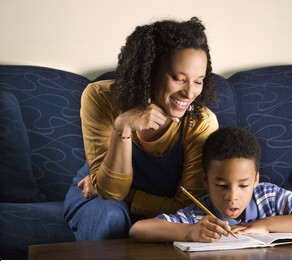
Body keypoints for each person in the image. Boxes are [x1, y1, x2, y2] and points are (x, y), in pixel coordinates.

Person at [63, 17, 218, 240]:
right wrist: (123, 126)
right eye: (179, 79)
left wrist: (128, 196)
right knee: (110, 215)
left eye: (199, 81)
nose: (190, 93)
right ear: (149, 72)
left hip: (157, 211)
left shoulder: (201, 122)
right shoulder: (100, 98)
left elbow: (186, 207)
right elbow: (110, 193)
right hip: (96, 198)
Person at [129, 127, 292, 243]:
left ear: (255, 180)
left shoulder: (269, 198)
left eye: (243, 185)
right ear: (206, 182)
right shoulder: (200, 216)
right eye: (221, 185)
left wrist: (264, 225)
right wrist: (190, 232)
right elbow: (138, 229)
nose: (232, 196)